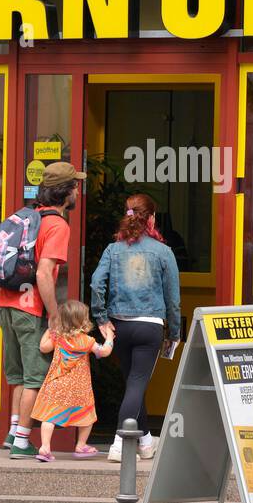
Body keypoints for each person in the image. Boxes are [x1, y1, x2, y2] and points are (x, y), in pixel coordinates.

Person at [0, 161, 85, 459]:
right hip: (30, 309)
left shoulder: (26, 217)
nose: (78, 190)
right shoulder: (57, 225)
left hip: (6, 304)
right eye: (75, 186)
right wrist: (54, 314)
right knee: (35, 376)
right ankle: (23, 441)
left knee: (19, 376)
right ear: (67, 191)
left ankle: (12, 432)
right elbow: (44, 274)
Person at [90, 193, 181, 463]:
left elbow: (96, 284)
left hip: (119, 326)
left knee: (133, 384)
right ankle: (120, 441)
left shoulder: (112, 249)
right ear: (151, 218)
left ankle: (145, 441)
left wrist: (101, 319)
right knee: (138, 384)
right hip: (150, 327)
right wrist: (174, 333)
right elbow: (173, 300)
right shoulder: (163, 252)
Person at [31, 299, 114, 462]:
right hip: (79, 388)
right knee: (88, 415)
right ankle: (81, 445)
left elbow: (43, 347)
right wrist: (110, 337)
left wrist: (50, 329)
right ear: (83, 321)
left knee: (49, 417)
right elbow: (104, 351)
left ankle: (45, 447)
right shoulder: (87, 341)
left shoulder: (58, 337)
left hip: (56, 384)